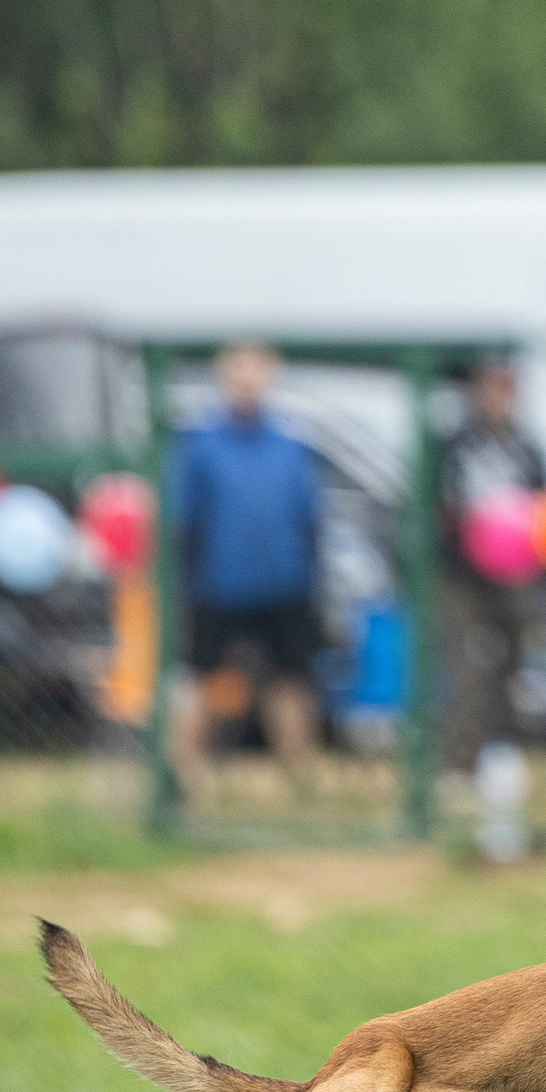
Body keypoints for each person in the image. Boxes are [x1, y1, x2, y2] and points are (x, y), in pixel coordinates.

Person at [170, 342, 324, 798]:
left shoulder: (291, 446)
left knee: (290, 683)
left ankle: (301, 786)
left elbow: (310, 520)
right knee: (200, 680)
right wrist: (187, 586)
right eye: (238, 370)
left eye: (257, 370)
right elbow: (185, 523)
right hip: (218, 587)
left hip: (285, 586)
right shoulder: (201, 447)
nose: (248, 381)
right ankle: (180, 781)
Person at [438, 358, 546, 772]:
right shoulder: (454, 447)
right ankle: (461, 758)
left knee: (512, 665)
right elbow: (438, 506)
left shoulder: (526, 448)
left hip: (516, 574)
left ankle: (504, 753)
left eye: (505, 390)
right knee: (468, 668)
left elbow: (545, 506)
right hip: (463, 575)